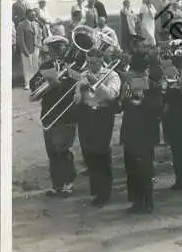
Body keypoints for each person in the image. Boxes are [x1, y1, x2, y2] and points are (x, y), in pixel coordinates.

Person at [73, 49, 121, 206]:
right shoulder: (83, 75)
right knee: (89, 153)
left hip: (103, 115)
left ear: (101, 62)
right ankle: (96, 189)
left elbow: (111, 95)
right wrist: (80, 93)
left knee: (101, 154)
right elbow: (76, 99)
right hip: (86, 115)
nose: (91, 65)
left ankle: (104, 193)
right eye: (89, 62)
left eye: (94, 62)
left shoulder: (111, 74)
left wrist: (96, 83)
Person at [120, 49, 162, 213]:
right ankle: (137, 201)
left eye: (139, 72)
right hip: (130, 131)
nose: (136, 75)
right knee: (131, 169)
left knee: (145, 169)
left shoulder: (154, 86)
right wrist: (123, 96)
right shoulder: (129, 84)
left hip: (146, 133)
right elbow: (121, 107)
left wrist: (144, 99)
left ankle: (148, 201)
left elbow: (159, 108)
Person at [36, 36, 77, 197]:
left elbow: (76, 85)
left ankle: (69, 182)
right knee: (52, 151)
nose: (57, 52)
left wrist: (59, 84)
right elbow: (34, 86)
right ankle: (57, 184)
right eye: (53, 48)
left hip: (66, 115)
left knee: (63, 149)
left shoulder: (73, 66)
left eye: (60, 48)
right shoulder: (45, 66)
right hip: (49, 113)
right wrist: (44, 82)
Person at [17, 9, 43, 90]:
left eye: (35, 15)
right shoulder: (21, 25)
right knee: (27, 66)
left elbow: (39, 35)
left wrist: (38, 44)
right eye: (32, 15)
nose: (34, 16)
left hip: (35, 48)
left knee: (35, 66)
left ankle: (34, 82)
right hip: (26, 49)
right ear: (27, 15)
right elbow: (21, 40)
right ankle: (27, 83)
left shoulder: (36, 23)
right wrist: (25, 51)